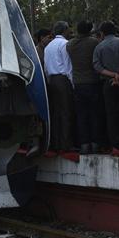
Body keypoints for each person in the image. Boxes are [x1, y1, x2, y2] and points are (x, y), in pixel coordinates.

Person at [93, 21, 119, 155]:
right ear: (115, 30)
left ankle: (115, 143)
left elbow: (97, 66)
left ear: (102, 33)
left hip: (108, 83)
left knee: (111, 114)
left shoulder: (99, 47)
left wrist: (113, 75)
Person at [67, 20, 101, 154]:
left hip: (78, 83)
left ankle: (84, 144)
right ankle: (95, 143)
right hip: (93, 82)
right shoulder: (94, 43)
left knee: (82, 115)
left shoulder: (70, 45)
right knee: (94, 114)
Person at [44, 21, 74, 152]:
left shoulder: (48, 46)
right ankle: (65, 144)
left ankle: (55, 142)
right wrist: (72, 83)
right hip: (63, 79)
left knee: (55, 113)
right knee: (66, 112)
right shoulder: (65, 44)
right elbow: (68, 66)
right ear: (65, 30)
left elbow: (46, 67)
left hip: (52, 80)